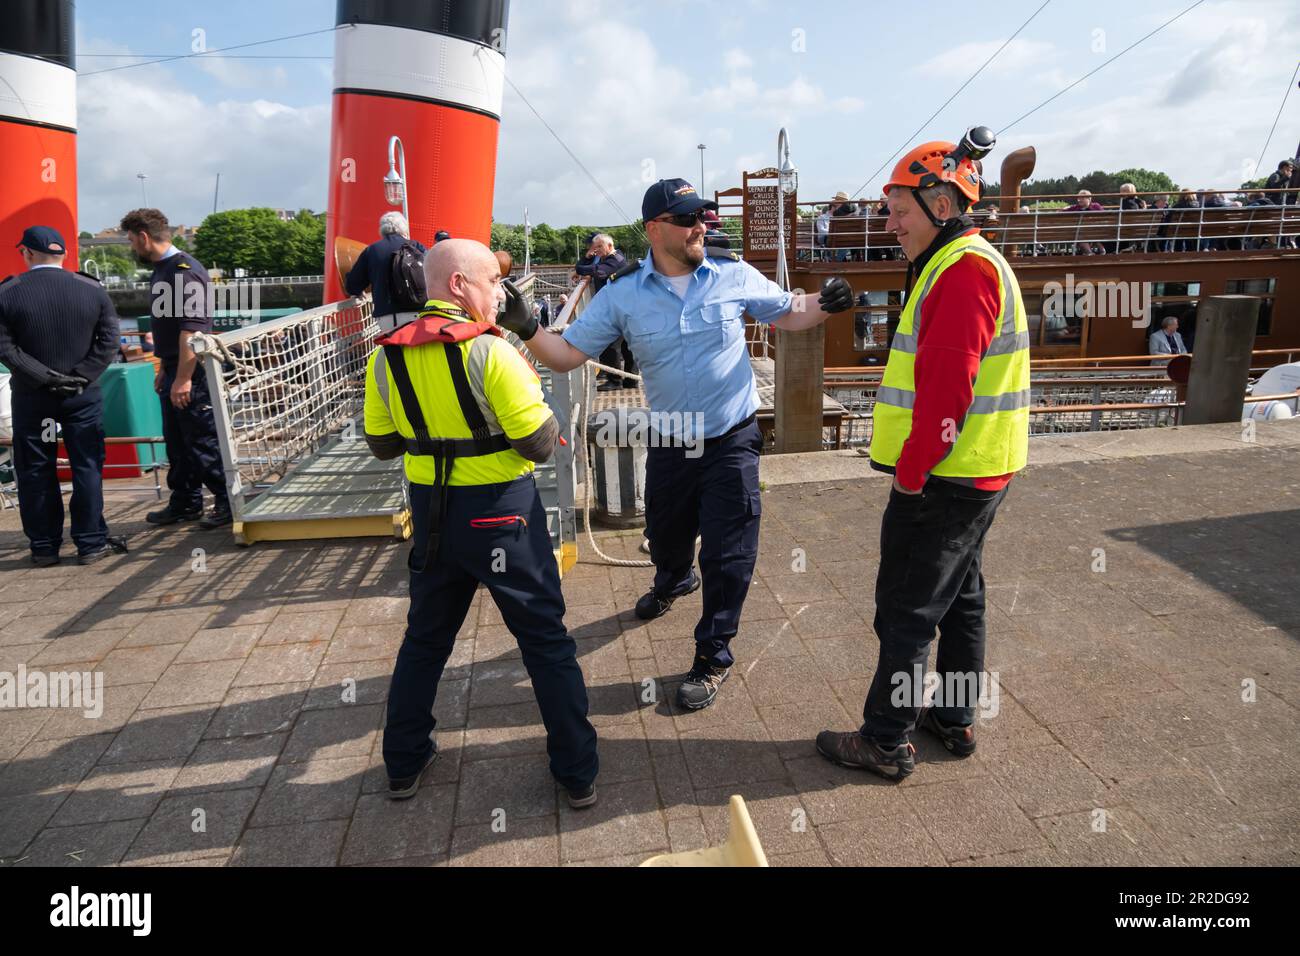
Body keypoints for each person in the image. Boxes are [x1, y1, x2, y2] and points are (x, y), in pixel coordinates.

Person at [498, 178, 854, 711]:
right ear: (654, 229)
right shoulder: (622, 294)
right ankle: (672, 578)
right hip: (670, 441)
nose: (700, 227)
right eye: (687, 219)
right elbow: (567, 355)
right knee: (665, 531)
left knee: (730, 551)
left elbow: (788, 311)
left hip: (731, 438)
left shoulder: (732, 275)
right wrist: (525, 324)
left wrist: (826, 304)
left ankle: (713, 656)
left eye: (702, 218)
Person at [815, 136, 1031, 779]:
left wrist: (911, 475)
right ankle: (955, 719)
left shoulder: (962, 270)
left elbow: (946, 388)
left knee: (907, 610)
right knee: (961, 597)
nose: (889, 222)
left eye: (898, 209)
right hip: (980, 467)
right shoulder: (966, 259)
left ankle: (885, 738)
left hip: (944, 476)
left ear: (940, 203)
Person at [364, 238, 600, 808]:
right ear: (458, 286)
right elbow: (539, 444)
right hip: (501, 515)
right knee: (545, 641)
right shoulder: (492, 353)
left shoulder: (385, 355)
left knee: (425, 639)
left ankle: (403, 761)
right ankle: (576, 770)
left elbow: (381, 444)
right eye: (493, 282)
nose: (501, 294)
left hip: (432, 512)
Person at [0, 226, 127, 565]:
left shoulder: (8, 292)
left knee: (36, 468)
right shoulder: (92, 289)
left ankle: (44, 547)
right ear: (65, 254)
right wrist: (79, 377)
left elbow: (6, 348)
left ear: (26, 252)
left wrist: (44, 378)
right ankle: (90, 543)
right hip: (81, 396)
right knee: (86, 465)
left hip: (34, 398)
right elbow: (110, 341)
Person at [120, 208, 232, 529]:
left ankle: (226, 500)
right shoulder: (163, 270)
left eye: (131, 241)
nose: (132, 248)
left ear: (144, 237)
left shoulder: (184, 272)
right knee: (178, 442)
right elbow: (171, 329)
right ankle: (185, 501)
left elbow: (192, 331)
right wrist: (166, 370)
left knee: (201, 438)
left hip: (191, 373)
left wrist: (182, 377)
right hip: (175, 369)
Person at [345, 212, 429, 328]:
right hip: (419, 311)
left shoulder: (372, 250)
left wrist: (357, 291)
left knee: (393, 346)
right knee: (420, 346)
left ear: (382, 229)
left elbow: (353, 283)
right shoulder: (416, 246)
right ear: (403, 228)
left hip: (388, 316)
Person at [575, 234, 636, 390]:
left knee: (611, 344)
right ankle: (630, 380)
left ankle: (615, 381)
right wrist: (587, 257)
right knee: (625, 345)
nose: (597, 251)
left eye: (599, 247)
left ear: (610, 246)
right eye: (595, 248)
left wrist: (586, 264)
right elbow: (583, 268)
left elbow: (586, 270)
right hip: (620, 306)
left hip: (618, 308)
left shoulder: (615, 261)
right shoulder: (610, 258)